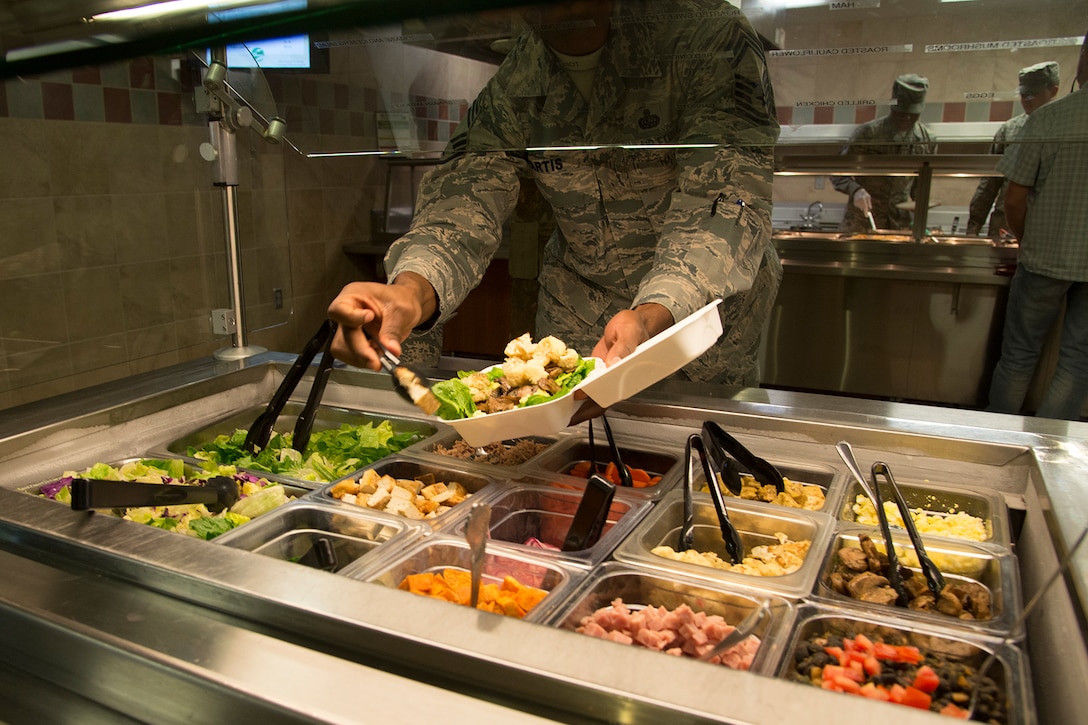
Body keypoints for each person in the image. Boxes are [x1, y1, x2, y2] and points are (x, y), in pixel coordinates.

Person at [327, 0, 781, 391]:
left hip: (697, 325)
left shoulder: (706, 36)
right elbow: (461, 205)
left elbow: (724, 201)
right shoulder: (515, 82)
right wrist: (410, 291)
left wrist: (650, 314)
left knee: (699, 457)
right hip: (581, 319)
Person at [986, 33, 1088, 421]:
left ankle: (997, 437)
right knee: (1079, 359)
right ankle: (1046, 447)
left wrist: (1031, 240)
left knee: (1019, 355)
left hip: (1044, 258)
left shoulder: (1050, 119)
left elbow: (1013, 198)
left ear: (1084, 58)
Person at [831, 74, 937, 234]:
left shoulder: (927, 140)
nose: (906, 118)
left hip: (899, 224)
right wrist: (855, 190)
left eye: (912, 114)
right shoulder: (869, 133)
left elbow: (921, 186)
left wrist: (919, 209)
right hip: (863, 221)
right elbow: (837, 172)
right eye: (901, 113)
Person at [966, 62, 1061, 239]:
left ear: (1053, 91)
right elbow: (989, 183)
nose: (1027, 100)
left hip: (1047, 229)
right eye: (1024, 94)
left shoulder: (1064, 129)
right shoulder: (1009, 130)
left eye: (1034, 94)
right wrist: (973, 227)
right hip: (1004, 228)